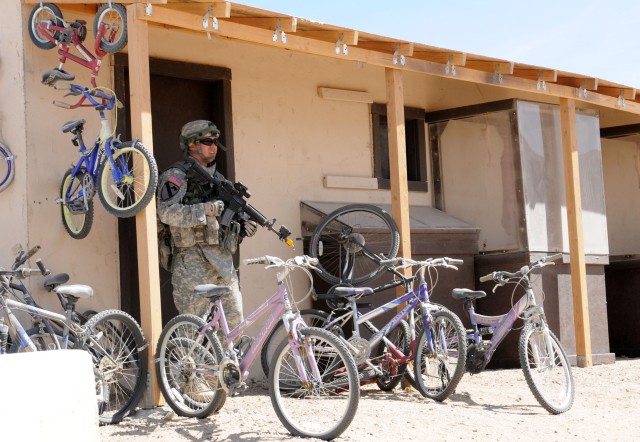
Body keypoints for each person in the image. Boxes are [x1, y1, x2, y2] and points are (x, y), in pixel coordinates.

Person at [157, 120, 257, 344]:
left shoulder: (219, 180)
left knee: (233, 325)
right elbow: (166, 213)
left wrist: (242, 226)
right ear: (192, 145)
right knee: (192, 329)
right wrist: (204, 209)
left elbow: (226, 219)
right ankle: (187, 379)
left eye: (215, 142)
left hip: (221, 261)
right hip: (192, 259)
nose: (213, 147)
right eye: (207, 142)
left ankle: (218, 379)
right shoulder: (176, 176)